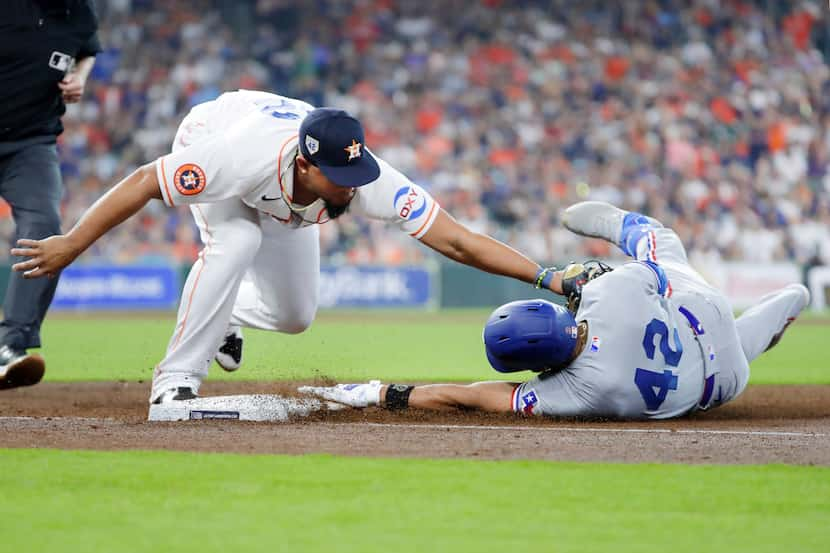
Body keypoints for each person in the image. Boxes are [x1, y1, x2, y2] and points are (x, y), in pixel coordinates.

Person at [9, 89, 563, 414]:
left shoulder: (362, 176)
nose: (352, 186)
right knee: (238, 239)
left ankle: (219, 312)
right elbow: (143, 181)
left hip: (281, 189)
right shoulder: (235, 157)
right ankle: (174, 386)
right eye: (340, 176)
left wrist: (548, 278)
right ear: (305, 165)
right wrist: (72, 243)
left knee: (295, 317)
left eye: (357, 171)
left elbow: (456, 238)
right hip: (214, 133)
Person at [300, 201, 810, 420]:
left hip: (721, 380)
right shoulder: (604, 298)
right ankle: (618, 223)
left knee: (744, 344)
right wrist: (581, 279)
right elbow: (651, 278)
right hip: (703, 311)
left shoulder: (577, 390)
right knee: (661, 247)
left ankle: (789, 303)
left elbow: (473, 397)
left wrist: (380, 393)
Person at [0, 0, 100, 390]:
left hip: (31, 143)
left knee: (43, 227)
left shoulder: (80, 11)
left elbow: (88, 48)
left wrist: (80, 75)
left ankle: (11, 344)